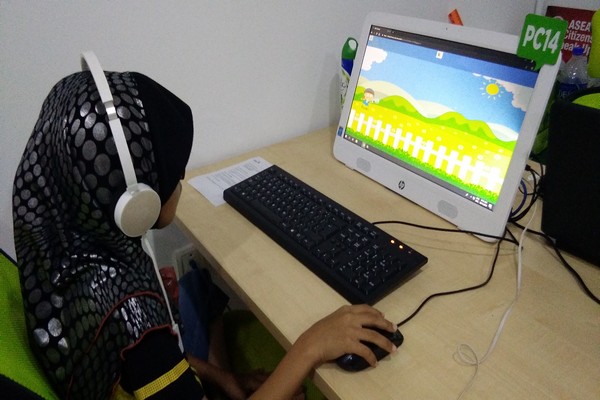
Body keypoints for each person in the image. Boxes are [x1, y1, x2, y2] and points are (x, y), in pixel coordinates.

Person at [12, 65, 397, 400]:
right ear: (135, 199)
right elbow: (146, 352)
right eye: (173, 174)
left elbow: (137, 360)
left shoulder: (64, 248)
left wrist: (220, 377)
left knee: (202, 292)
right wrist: (310, 347)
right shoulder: (133, 320)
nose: (180, 180)